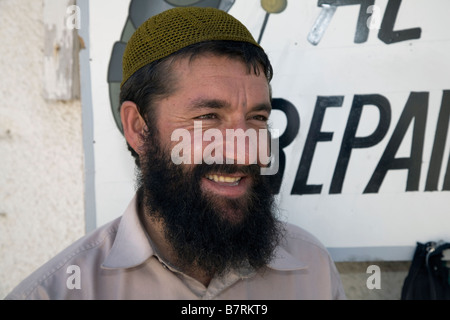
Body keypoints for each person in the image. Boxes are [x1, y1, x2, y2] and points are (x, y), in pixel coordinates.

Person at [5, 7, 346, 300]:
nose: (244, 147)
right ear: (139, 128)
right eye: (207, 117)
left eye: (257, 118)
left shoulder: (311, 269)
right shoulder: (60, 291)